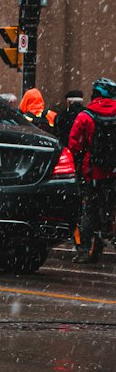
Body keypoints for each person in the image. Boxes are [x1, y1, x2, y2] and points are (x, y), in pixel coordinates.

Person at [68, 78, 116, 263]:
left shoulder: (85, 116)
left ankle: (86, 249)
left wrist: (79, 162)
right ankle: (107, 233)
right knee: (111, 208)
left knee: (90, 210)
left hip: (93, 172)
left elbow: (74, 144)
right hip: (114, 172)